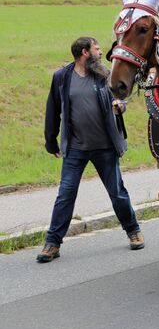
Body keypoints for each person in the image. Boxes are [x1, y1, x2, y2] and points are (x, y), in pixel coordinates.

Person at [39, 37, 143, 263]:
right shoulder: (62, 77)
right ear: (85, 52)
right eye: (97, 49)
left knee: (117, 192)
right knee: (65, 195)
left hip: (105, 147)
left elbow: (120, 99)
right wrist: (51, 141)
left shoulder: (104, 74)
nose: (100, 52)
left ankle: (133, 230)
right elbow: (53, 110)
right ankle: (52, 243)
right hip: (75, 149)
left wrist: (120, 107)